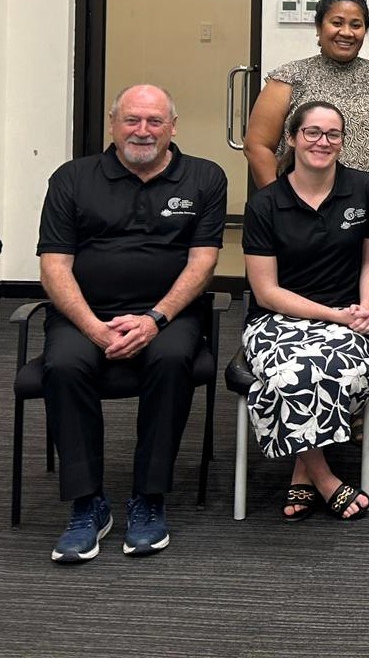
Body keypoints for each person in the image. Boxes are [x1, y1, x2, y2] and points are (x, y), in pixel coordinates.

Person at [37, 84, 227, 563]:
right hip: (84, 312)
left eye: (155, 121)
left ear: (173, 128)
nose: (143, 131)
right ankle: (87, 504)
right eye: (132, 120)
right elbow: (54, 266)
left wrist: (154, 319)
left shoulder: (204, 177)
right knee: (64, 366)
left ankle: (148, 497)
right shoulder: (71, 178)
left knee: (172, 358)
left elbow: (203, 263)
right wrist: (93, 327)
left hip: (168, 313)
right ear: (113, 125)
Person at [241, 101, 369, 523]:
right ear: (292, 138)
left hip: (350, 315)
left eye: (333, 134)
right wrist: (336, 316)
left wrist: (366, 308)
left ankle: (301, 471)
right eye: (312, 132)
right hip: (277, 320)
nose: (322, 142)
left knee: (335, 367)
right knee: (290, 372)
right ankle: (324, 478)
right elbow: (267, 292)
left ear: (342, 141)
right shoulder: (265, 204)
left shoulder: (365, 189)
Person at [245, 0, 369, 238]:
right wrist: (280, 203)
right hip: (301, 203)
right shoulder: (288, 78)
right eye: (337, 23)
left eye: (356, 25)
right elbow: (257, 145)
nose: (346, 32)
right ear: (319, 27)